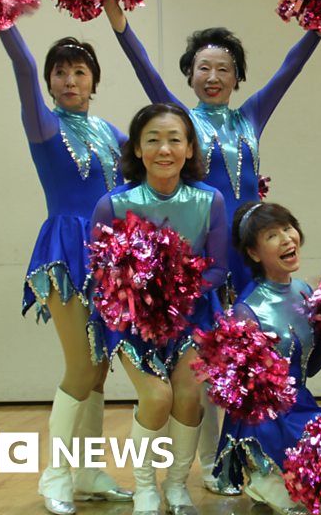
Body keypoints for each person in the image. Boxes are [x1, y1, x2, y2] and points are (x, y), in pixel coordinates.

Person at [103, 0, 321, 492]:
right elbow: (145, 72)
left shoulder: (251, 116)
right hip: (201, 265)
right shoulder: (179, 120)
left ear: (238, 76)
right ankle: (209, 463)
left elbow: (290, 70)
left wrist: (319, 25)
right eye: (203, 67)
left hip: (246, 259)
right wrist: (121, 26)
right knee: (200, 371)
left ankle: (241, 456)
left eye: (224, 68)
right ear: (190, 74)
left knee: (244, 364)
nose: (213, 76)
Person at [0, 25, 131, 514]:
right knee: (79, 363)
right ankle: (55, 474)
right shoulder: (44, 125)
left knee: (98, 368)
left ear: (94, 81)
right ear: (51, 82)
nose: (69, 80)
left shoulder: (110, 132)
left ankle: (88, 469)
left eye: (79, 72)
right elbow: (23, 68)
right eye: (61, 72)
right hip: (65, 250)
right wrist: (2, 17)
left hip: (110, 253)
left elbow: (160, 147)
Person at [90, 103, 229, 515]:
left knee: (188, 397)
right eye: (152, 139)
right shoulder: (113, 204)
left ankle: (176, 484)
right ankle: (145, 486)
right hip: (133, 322)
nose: (163, 149)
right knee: (156, 397)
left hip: (192, 316)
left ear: (189, 149)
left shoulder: (210, 200)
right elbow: (99, 274)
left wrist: (175, 292)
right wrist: (140, 297)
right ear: (136, 149)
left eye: (174, 139)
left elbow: (219, 268)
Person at [213, 201, 321, 514]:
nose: (287, 239)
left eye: (288, 228)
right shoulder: (247, 310)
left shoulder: (304, 291)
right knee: (320, 495)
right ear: (254, 253)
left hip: (301, 409)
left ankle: (286, 477)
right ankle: (263, 471)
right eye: (271, 236)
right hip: (266, 424)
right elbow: (244, 404)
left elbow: (311, 367)